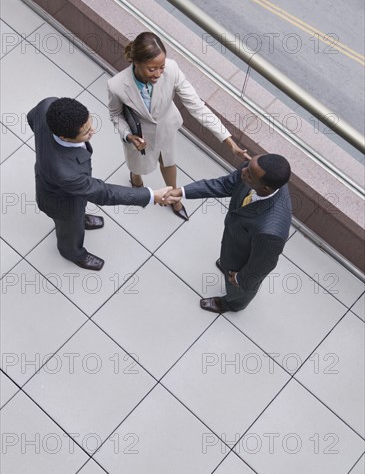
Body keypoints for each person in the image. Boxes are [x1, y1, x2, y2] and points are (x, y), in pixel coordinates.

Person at [107, 31, 248, 222]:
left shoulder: (172, 69)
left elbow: (197, 106)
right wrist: (128, 136)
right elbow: (115, 115)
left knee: (169, 164)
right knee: (138, 165)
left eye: (161, 67)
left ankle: (174, 198)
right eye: (151, 69)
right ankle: (136, 181)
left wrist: (229, 141)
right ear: (136, 62)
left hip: (166, 129)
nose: (158, 74)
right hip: (138, 138)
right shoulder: (116, 85)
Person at [27, 97, 179, 271]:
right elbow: (104, 193)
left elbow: (32, 118)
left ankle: (80, 218)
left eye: (90, 123)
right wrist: (152, 195)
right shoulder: (66, 174)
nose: (93, 130)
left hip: (66, 187)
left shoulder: (48, 106)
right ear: (64, 137)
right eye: (86, 132)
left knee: (78, 210)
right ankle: (72, 252)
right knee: (69, 228)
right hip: (61, 203)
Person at [164, 154, 292, 312]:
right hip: (236, 240)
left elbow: (261, 267)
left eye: (248, 173)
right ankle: (227, 265)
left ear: (265, 188)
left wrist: (239, 278)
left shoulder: (271, 232)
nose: (242, 170)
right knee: (227, 261)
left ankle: (232, 304)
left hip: (244, 260)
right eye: (247, 167)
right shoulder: (255, 171)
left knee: (241, 289)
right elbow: (225, 184)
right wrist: (183, 192)